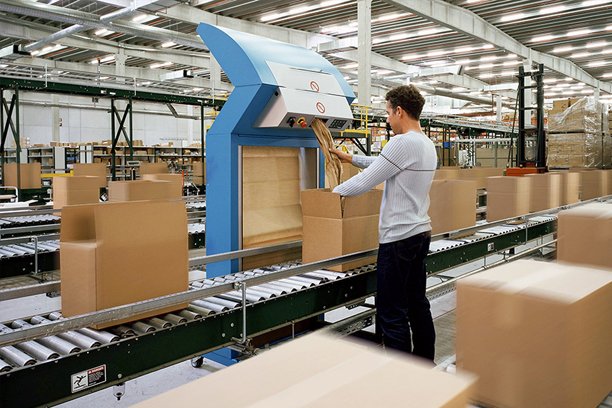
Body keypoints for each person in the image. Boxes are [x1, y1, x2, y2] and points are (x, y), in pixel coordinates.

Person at [330, 84, 437, 361]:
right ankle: (425, 363)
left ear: (399, 111)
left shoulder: (401, 143)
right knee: (416, 304)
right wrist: (350, 158)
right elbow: (384, 163)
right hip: (419, 233)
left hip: (397, 239)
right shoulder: (425, 143)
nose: (387, 120)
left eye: (388, 113)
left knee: (391, 311)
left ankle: (400, 378)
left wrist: (327, 197)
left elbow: (367, 181)